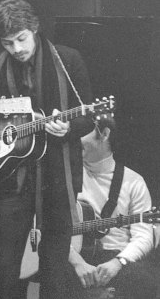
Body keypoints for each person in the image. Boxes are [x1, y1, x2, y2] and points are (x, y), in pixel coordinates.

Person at [0, 0, 94, 298]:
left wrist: (67, 128)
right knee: (5, 272)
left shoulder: (68, 59)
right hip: (11, 181)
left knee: (55, 270)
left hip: (58, 179)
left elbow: (87, 117)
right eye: (8, 43)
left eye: (21, 39)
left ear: (34, 28)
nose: (17, 49)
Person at [66, 116, 157, 298]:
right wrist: (76, 262)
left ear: (105, 134)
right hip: (73, 257)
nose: (75, 138)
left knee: (147, 279)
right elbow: (50, 225)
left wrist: (118, 262)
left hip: (115, 260)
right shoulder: (67, 175)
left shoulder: (134, 182)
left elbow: (144, 235)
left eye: (83, 132)